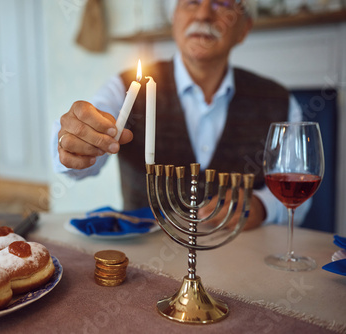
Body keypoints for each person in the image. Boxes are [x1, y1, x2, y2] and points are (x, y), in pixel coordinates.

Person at [52, 0, 310, 230]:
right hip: (144, 264)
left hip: (241, 262)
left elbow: (299, 193)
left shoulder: (279, 100)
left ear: (244, 28)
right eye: (191, 2)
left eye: (221, 3)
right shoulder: (124, 88)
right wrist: (75, 142)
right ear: (174, 18)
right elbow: (79, 161)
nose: (204, 14)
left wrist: (263, 206)